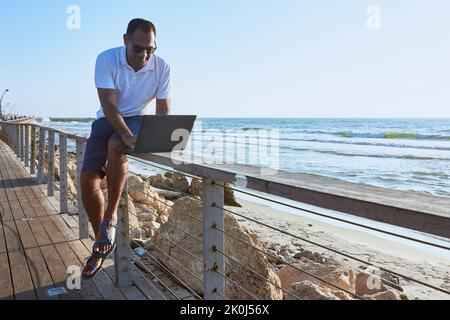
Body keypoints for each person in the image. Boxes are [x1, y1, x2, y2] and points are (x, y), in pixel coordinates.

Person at [81, 18, 171, 279]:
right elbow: (109, 106)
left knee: (117, 146)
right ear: (125, 40)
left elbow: (163, 110)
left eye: (151, 49)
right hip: (106, 118)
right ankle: (102, 240)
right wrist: (126, 134)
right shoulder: (107, 59)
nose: (145, 55)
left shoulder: (162, 67)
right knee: (87, 179)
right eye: (139, 48)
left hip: (138, 119)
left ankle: (109, 221)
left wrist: (161, 138)